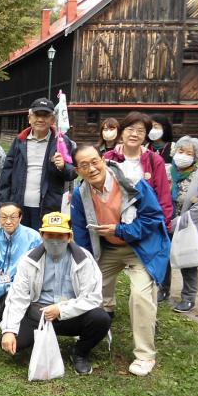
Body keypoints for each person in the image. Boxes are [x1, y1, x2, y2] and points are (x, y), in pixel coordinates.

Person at [70, 144, 170, 376]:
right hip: (109, 250)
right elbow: (81, 232)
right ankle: (98, 323)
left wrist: (120, 230)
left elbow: (154, 218)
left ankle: (145, 355)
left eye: (94, 161)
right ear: (77, 170)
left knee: (140, 297)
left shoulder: (133, 182)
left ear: (103, 159)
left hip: (141, 248)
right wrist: (86, 265)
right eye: (84, 165)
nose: (91, 168)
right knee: (90, 287)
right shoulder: (80, 193)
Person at [0, 212, 112, 375]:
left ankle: (80, 353)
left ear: (69, 236)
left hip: (72, 314)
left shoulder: (84, 259)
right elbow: (18, 296)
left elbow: (93, 297)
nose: (54, 240)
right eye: (50, 234)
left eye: (60, 235)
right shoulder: (28, 260)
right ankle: (38, 340)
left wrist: (61, 310)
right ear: (41, 234)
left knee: (101, 319)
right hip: (38, 315)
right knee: (9, 342)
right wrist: (9, 331)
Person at [0, 97, 77, 231]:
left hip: (49, 207)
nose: (40, 119)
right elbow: (6, 174)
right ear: (29, 118)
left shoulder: (61, 142)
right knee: (21, 246)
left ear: (53, 119)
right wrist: (2, 205)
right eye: (37, 115)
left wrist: (63, 166)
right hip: (19, 206)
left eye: (45, 115)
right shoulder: (20, 141)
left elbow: (73, 171)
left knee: (43, 245)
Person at [159, 136, 198, 312]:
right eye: (181, 151)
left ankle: (189, 297)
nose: (184, 155)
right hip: (163, 222)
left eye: (189, 153)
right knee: (163, 257)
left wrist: (178, 223)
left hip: (188, 225)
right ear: (174, 151)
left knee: (188, 261)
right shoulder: (165, 170)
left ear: (195, 157)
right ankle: (163, 289)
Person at [103, 112, 173, 230]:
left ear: (146, 135)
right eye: (130, 129)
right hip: (113, 224)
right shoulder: (108, 158)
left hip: (145, 226)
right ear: (122, 132)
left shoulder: (155, 160)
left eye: (140, 131)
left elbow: (163, 196)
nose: (134, 134)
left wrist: (163, 226)